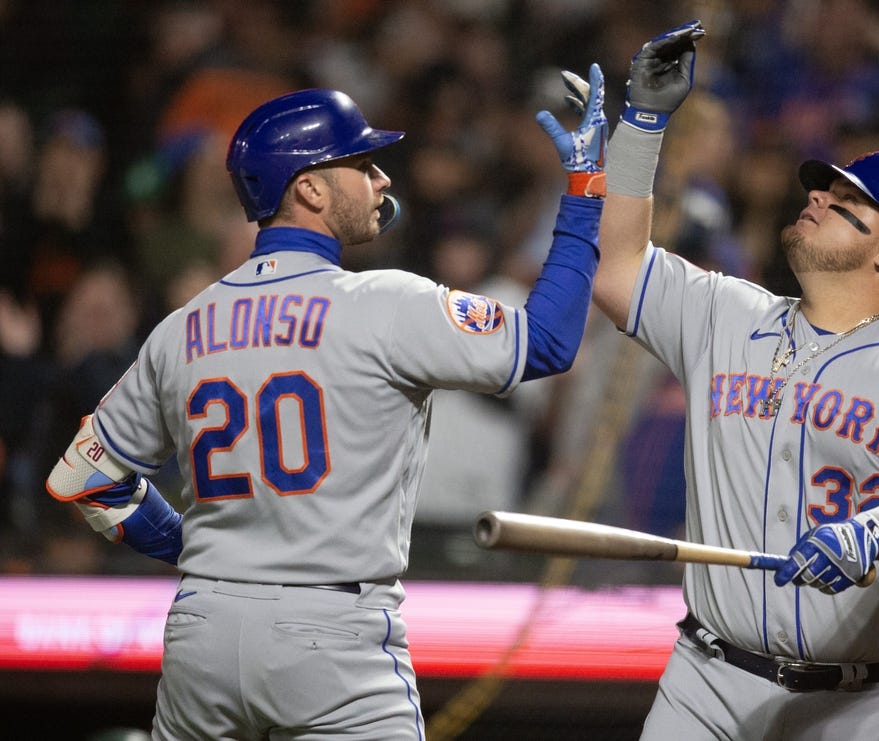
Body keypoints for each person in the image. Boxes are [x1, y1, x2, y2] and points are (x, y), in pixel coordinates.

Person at [43, 67, 608, 739]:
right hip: (332, 635)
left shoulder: (183, 325)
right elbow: (545, 341)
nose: (383, 180)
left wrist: (187, 544)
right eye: (362, 163)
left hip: (203, 631)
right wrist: (584, 195)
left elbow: (85, 478)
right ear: (307, 187)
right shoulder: (385, 304)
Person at [591, 21, 879, 740]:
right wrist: (644, 124)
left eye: (846, 201)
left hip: (857, 706)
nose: (815, 197)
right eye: (820, 189)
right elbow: (619, 268)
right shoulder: (724, 311)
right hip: (706, 683)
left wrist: (871, 531)